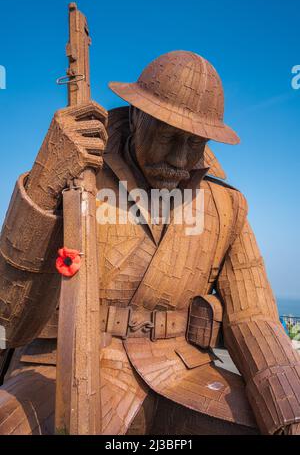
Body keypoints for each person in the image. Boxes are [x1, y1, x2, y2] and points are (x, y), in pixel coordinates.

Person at [0, 51, 299, 435]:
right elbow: (10, 321)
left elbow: (253, 317)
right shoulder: (74, 174)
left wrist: (288, 407)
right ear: (137, 114)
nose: (179, 159)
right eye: (169, 137)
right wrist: (45, 180)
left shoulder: (227, 205)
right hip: (62, 365)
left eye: (195, 143)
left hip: (182, 374)